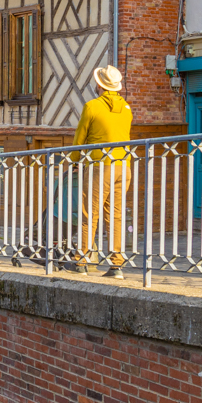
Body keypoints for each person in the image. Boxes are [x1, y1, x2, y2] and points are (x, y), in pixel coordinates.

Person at [70, 65, 133, 276]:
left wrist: (74, 161)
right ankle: (117, 264)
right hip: (123, 166)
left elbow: (80, 139)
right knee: (115, 215)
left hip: (100, 165)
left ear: (99, 84)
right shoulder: (126, 109)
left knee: (89, 213)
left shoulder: (92, 106)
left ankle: (81, 261)